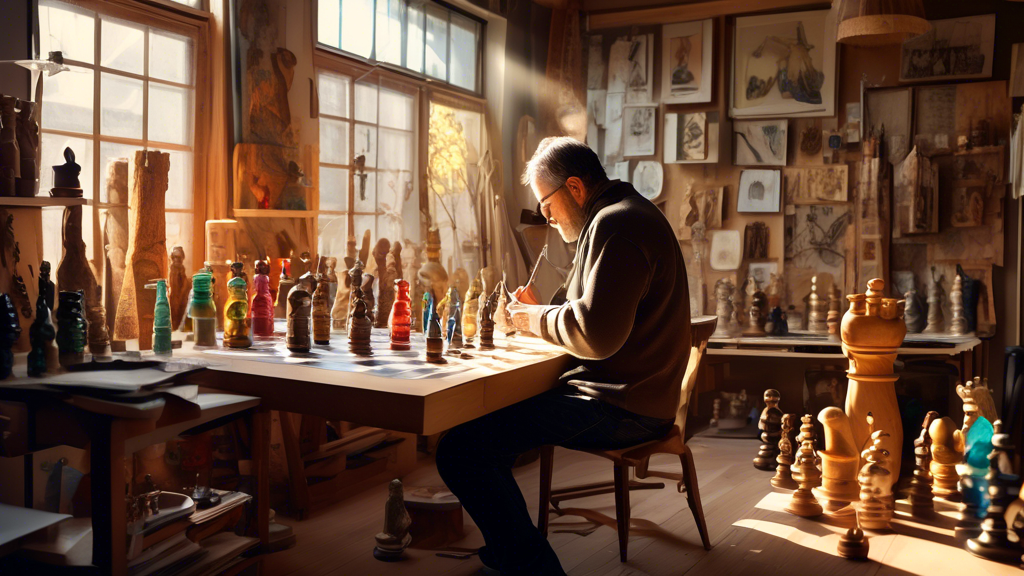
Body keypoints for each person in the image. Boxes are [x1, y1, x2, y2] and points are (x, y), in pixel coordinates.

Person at [435, 137, 692, 575]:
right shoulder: (621, 216)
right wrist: (543, 307)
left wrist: (532, 318)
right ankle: (507, 551)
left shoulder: (618, 225)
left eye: (547, 206)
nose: (547, 218)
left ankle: (534, 567)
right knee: (481, 435)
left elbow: (595, 336)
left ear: (574, 188)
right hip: (629, 394)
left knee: (460, 448)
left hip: (624, 407)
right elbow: (591, 310)